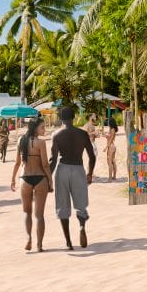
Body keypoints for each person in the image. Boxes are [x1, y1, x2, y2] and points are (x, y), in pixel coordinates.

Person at [51, 105, 96, 250]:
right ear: (74, 117)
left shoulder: (56, 135)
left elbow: (53, 159)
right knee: (81, 204)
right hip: (78, 169)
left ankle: (68, 242)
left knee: (62, 206)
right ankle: (82, 226)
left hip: (62, 169)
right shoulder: (82, 134)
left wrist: (48, 177)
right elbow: (92, 156)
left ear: (60, 118)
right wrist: (90, 173)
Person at [10, 117, 54, 252]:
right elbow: (45, 165)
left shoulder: (21, 140)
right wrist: (50, 180)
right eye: (42, 127)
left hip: (25, 178)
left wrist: (12, 179)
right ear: (35, 128)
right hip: (40, 178)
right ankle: (39, 245)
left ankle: (28, 238)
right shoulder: (41, 143)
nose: (44, 129)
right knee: (39, 215)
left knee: (26, 212)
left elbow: (17, 163)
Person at [104, 114, 119, 182]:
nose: (108, 123)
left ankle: (110, 178)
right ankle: (114, 176)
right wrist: (104, 135)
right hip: (112, 146)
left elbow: (111, 139)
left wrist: (106, 147)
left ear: (111, 122)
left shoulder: (112, 129)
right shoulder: (112, 129)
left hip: (111, 146)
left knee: (109, 162)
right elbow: (109, 138)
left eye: (108, 122)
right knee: (113, 161)